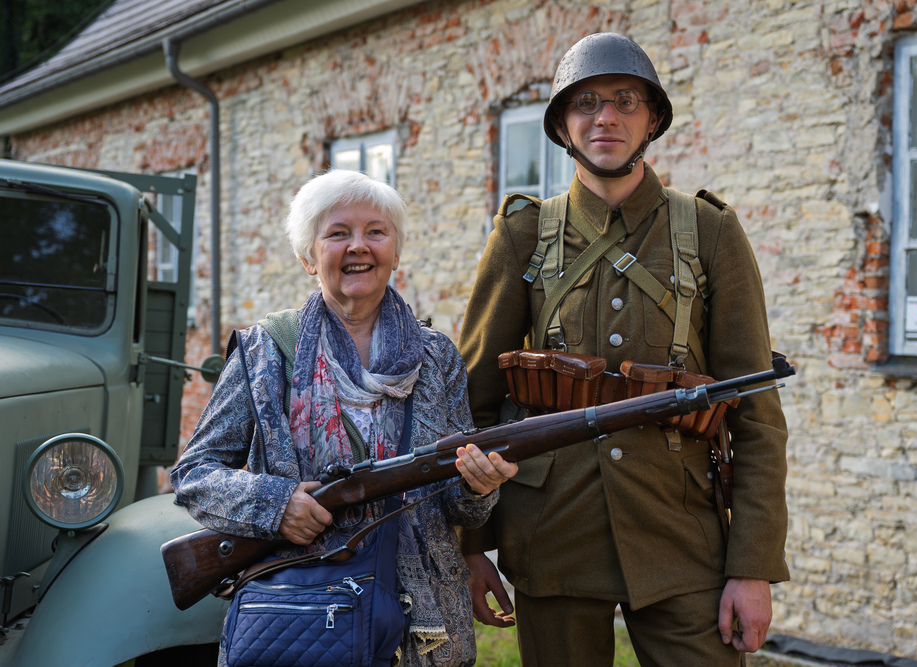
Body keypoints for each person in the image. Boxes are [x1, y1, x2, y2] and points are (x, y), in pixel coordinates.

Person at [457, 32, 789, 666]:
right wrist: (472, 546)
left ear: (652, 119)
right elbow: (475, 401)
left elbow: (756, 414)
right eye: (585, 102)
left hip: (680, 535)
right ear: (562, 124)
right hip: (552, 534)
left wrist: (752, 566)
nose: (604, 117)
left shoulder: (711, 232)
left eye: (625, 100)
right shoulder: (522, 234)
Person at [171, 169, 518, 667]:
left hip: (425, 627)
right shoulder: (265, 351)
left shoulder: (437, 356)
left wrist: (478, 487)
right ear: (308, 257)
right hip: (303, 617)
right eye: (337, 233)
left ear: (395, 252)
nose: (359, 246)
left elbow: (461, 510)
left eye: (376, 231)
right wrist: (278, 504)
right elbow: (194, 474)